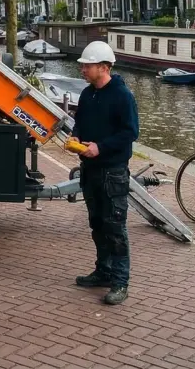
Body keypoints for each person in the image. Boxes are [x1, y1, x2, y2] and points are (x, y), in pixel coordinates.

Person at [68, 40, 140, 304]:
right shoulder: (88, 94)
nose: (83, 70)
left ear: (104, 67)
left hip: (112, 172)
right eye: (83, 66)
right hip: (91, 170)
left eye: (87, 65)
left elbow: (130, 132)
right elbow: (80, 122)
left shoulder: (122, 96)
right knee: (97, 223)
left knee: (115, 227)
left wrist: (101, 147)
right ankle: (103, 271)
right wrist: (76, 137)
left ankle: (121, 282)